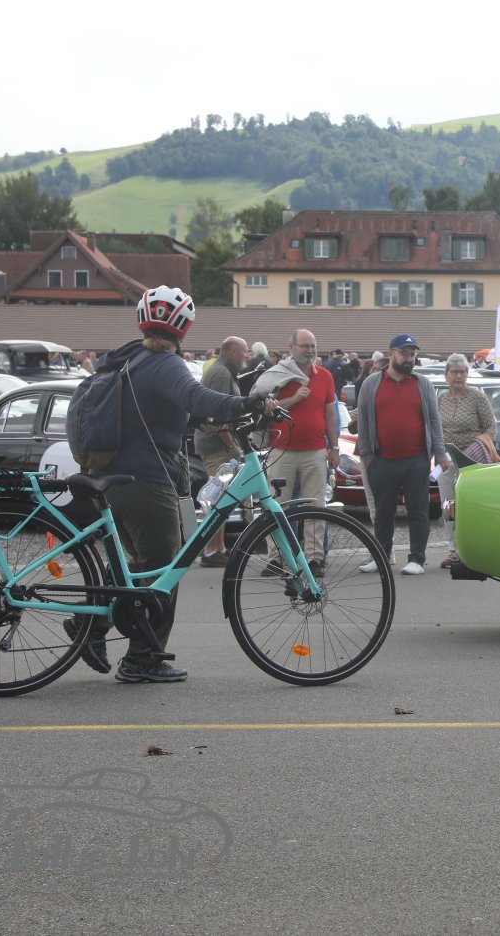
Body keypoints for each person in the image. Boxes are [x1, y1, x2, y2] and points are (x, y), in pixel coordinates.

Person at [72, 286, 275, 684]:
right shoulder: (166, 363)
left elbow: (158, 410)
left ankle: (89, 623)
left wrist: (200, 420)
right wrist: (246, 403)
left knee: (140, 568)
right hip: (146, 481)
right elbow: (196, 396)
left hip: (114, 477)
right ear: (184, 327)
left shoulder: (132, 359)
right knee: (168, 566)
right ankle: (143, 659)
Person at [356, 334, 450, 576]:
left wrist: (440, 453)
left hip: (416, 460)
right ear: (391, 354)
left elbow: (434, 420)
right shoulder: (371, 384)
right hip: (381, 460)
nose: (409, 359)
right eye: (404, 354)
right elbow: (363, 421)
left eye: (412, 354)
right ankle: (381, 557)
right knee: (383, 514)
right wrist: (367, 456)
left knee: (418, 511)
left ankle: (417, 559)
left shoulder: (422, 384)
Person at [254, 330, 338, 569]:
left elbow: (331, 414)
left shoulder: (325, 376)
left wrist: (334, 447)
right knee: (277, 506)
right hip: (281, 450)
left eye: (313, 346)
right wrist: (295, 399)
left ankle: (314, 558)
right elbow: (264, 407)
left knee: (316, 507)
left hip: (315, 451)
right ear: (291, 348)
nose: (310, 350)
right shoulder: (277, 376)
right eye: (305, 346)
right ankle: (277, 559)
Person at [436, 353, 500, 569]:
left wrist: (478, 445)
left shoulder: (477, 397)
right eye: (454, 372)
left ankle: (474, 550)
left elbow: (491, 427)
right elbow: (435, 428)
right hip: (446, 459)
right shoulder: (441, 399)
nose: (459, 376)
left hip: (472, 461)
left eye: (462, 372)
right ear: (446, 375)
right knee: (448, 505)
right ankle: (453, 550)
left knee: (470, 506)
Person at [193, 336, 250, 567]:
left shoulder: (224, 372)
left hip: (219, 445)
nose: (247, 356)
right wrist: (230, 445)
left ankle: (219, 548)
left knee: (222, 499)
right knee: (216, 499)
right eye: (245, 351)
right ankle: (210, 551)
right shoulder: (220, 374)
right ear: (233, 352)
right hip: (217, 446)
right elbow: (216, 414)